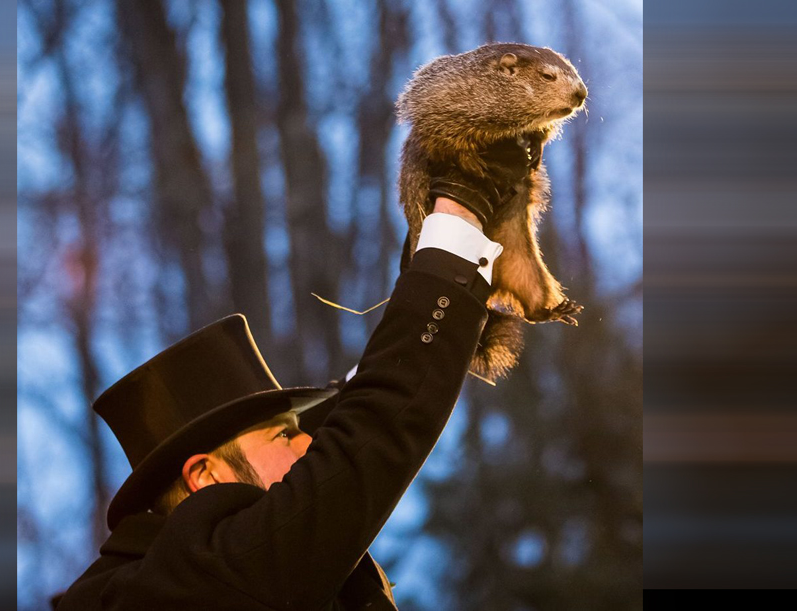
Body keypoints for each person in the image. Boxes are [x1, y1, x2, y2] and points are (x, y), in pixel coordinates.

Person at [54, 140, 530, 610]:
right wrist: (458, 218)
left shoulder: (174, 575)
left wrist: (439, 294)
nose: (308, 444)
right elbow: (366, 444)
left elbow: (347, 417)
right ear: (205, 476)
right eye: (284, 435)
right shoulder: (195, 584)